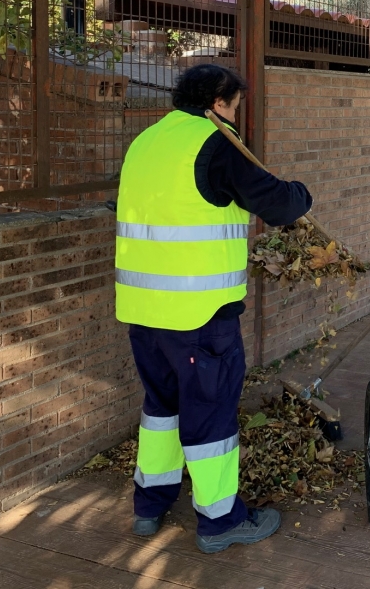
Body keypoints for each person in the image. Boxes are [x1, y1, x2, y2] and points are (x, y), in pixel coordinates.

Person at [114, 64, 311, 554]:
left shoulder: (146, 142)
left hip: (142, 310)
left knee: (161, 409)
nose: (236, 118)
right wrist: (302, 192)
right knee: (210, 415)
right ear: (218, 101)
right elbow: (280, 205)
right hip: (199, 315)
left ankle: (149, 506)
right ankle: (220, 521)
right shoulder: (213, 144)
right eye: (236, 107)